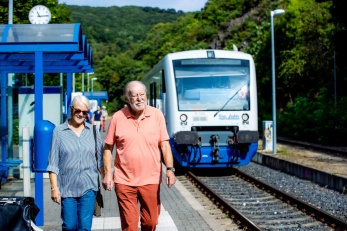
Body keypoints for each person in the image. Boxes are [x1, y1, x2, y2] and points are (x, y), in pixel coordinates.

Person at [102, 80, 176, 231]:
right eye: (134, 95)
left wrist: (170, 169)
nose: (139, 98)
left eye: (142, 94)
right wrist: (108, 174)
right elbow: (108, 148)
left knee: (151, 222)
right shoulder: (117, 117)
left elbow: (165, 145)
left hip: (151, 179)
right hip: (124, 180)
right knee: (130, 226)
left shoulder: (157, 115)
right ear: (127, 98)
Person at [47, 95, 104, 231]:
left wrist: (108, 177)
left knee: (84, 227)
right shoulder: (59, 132)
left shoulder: (94, 131)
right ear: (71, 109)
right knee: (70, 226)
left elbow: (101, 160)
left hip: (89, 187)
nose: (80, 114)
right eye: (78, 110)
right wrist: (54, 188)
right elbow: (53, 163)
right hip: (67, 189)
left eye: (84, 112)